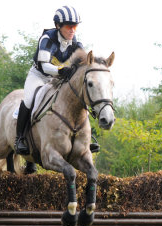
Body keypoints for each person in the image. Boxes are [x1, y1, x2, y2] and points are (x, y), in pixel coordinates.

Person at [15, 6, 99, 155]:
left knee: (78, 97)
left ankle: (86, 137)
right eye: (69, 26)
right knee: (29, 99)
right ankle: (20, 138)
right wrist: (60, 70)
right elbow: (44, 65)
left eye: (75, 26)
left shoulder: (76, 44)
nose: (72, 30)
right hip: (39, 76)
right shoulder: (48, 39)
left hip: (58, 79)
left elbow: (85, 64)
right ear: (58, 26)